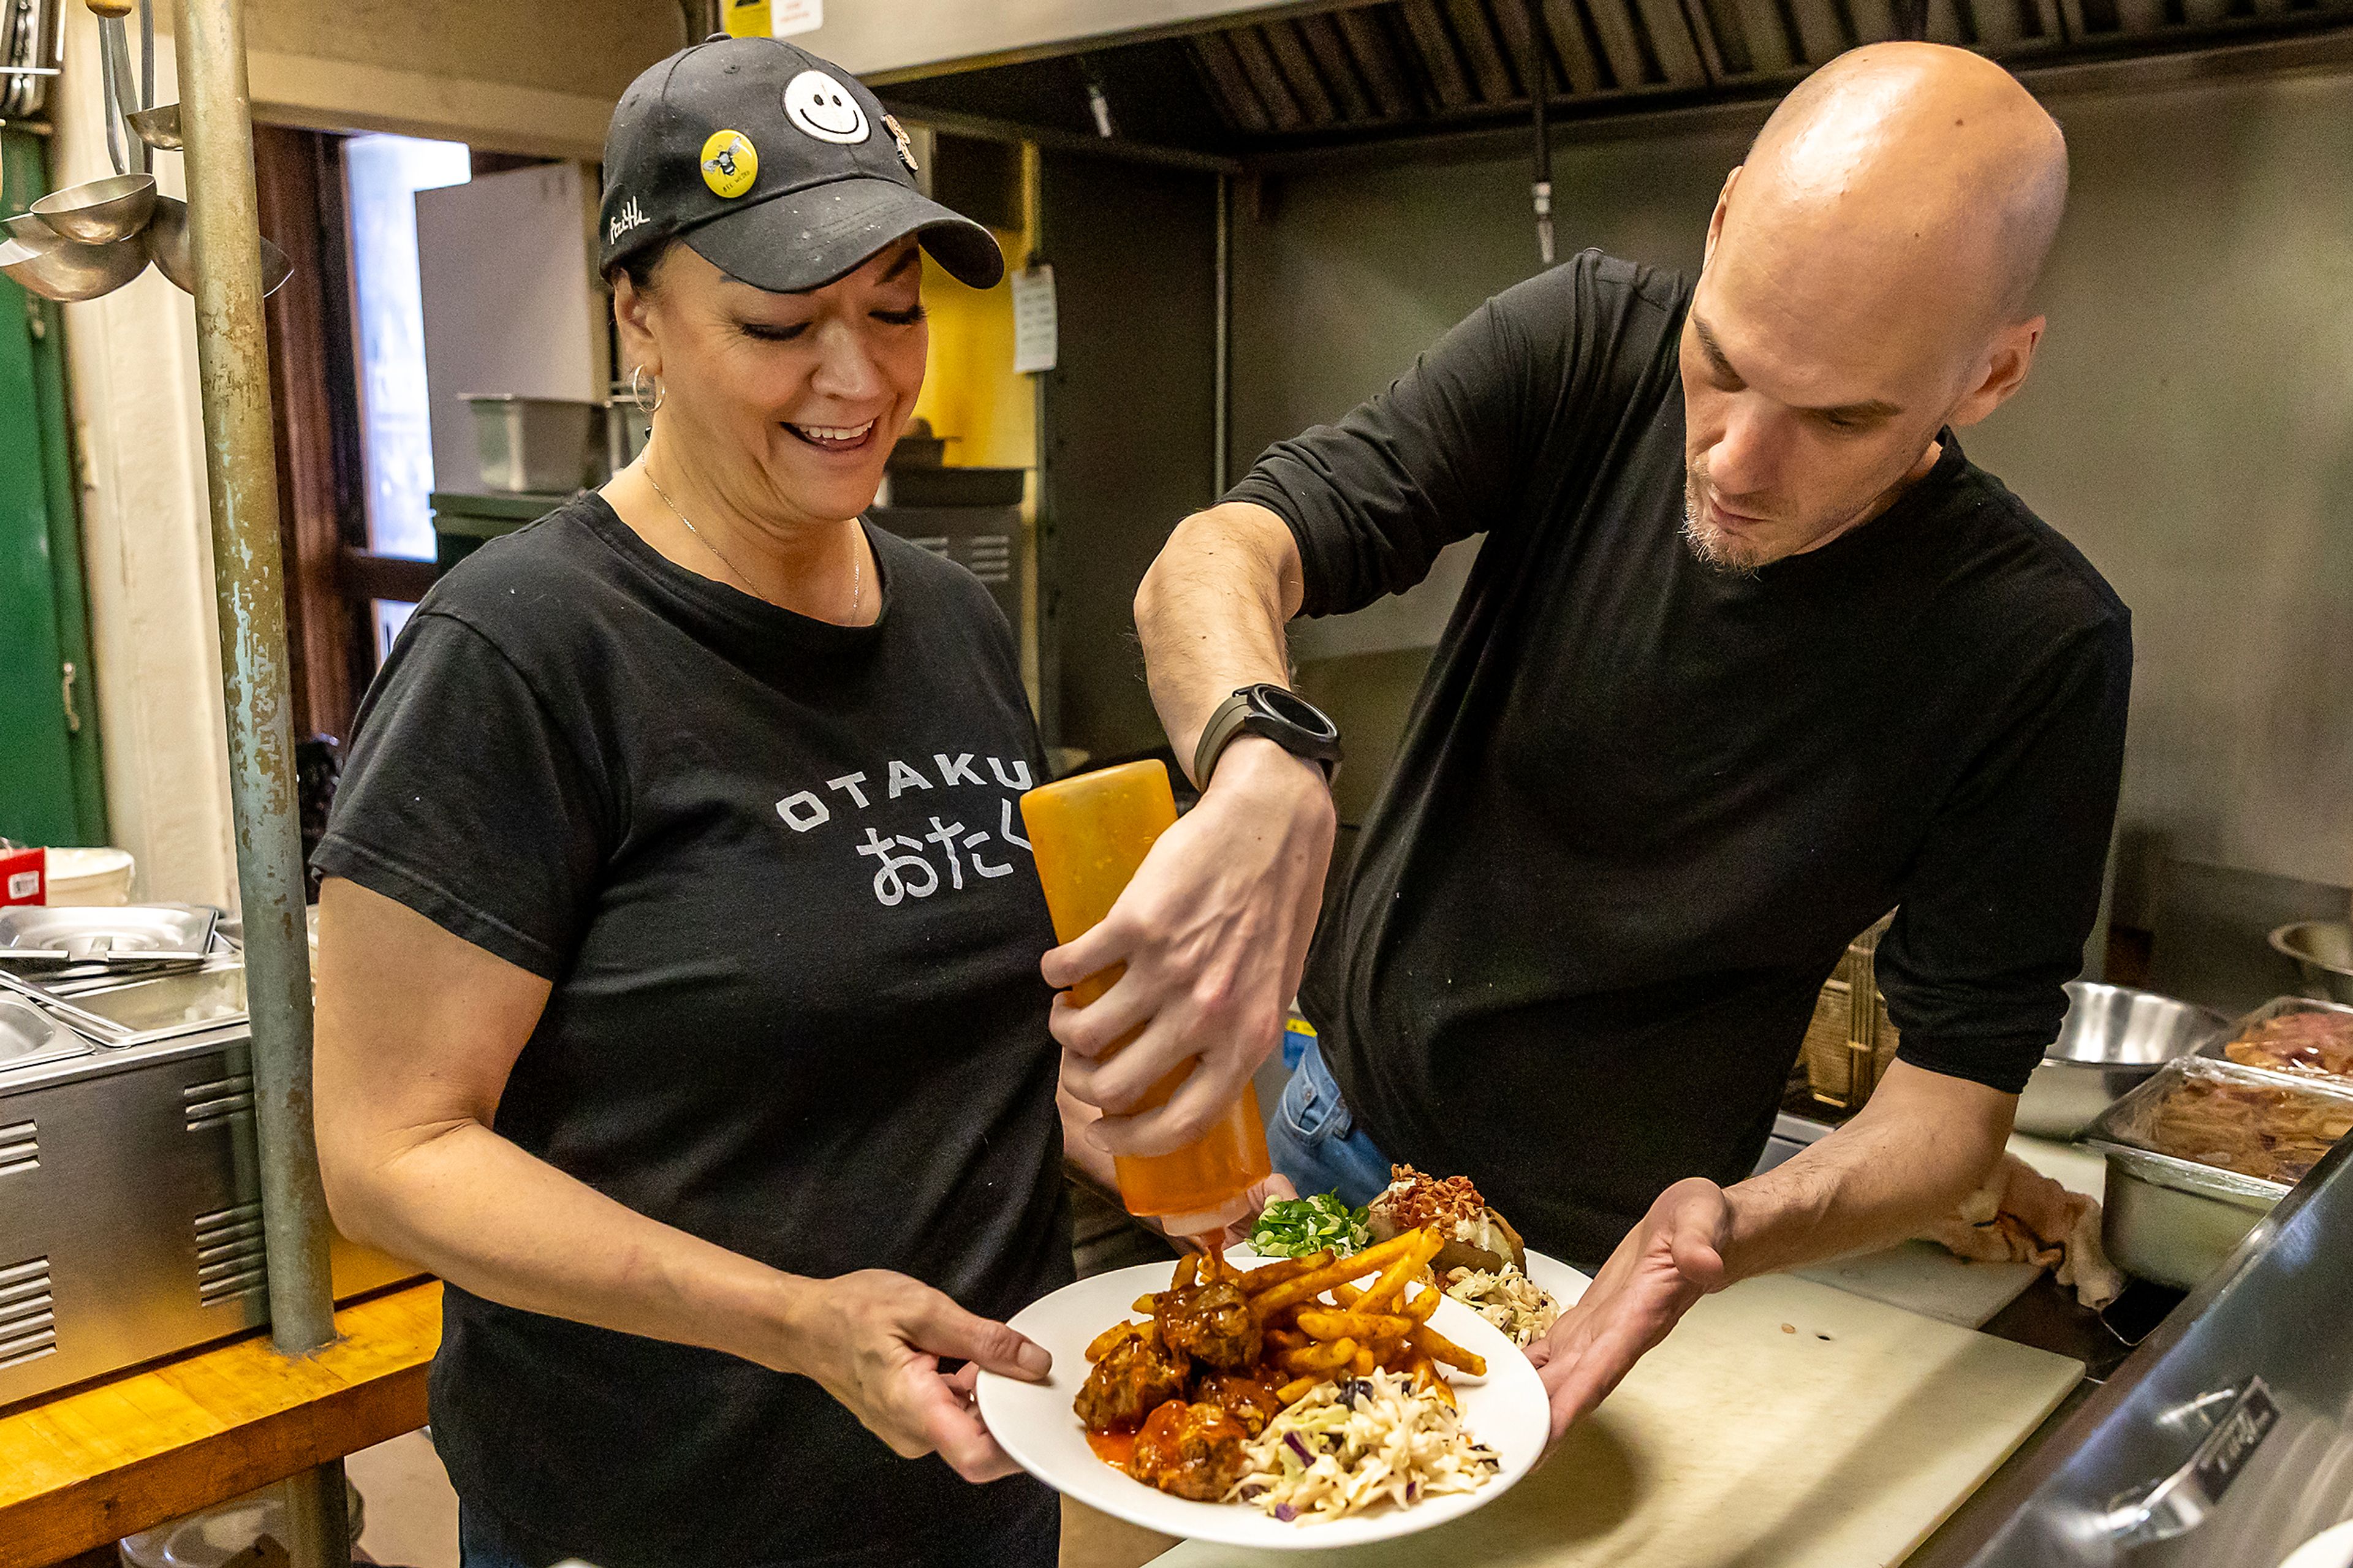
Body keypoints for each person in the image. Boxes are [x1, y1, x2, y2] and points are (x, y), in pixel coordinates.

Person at [1045, 42, 2128, 1442]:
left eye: (1839, 417)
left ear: (1993, 374)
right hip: (1314, 1130)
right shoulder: (1588, 344)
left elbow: (1954, 1111)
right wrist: (1263, 754)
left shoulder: (2036, 648)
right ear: (1726, 222)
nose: (1736, 457)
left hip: (1584, 1277)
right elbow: (1217, 555)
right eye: (1725, 365)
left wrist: (1730, 1224)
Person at [313, 37, 1092, 1568]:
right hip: (653, 1511)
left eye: (892, 310)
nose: (859, 378)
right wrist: (798, 1323)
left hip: (981, 1489)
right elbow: (388, 1151)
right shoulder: (522, 651)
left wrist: (1171, 1128)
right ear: (639, 317)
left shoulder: (950, 619)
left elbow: (969, 1039)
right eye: (780, 323)